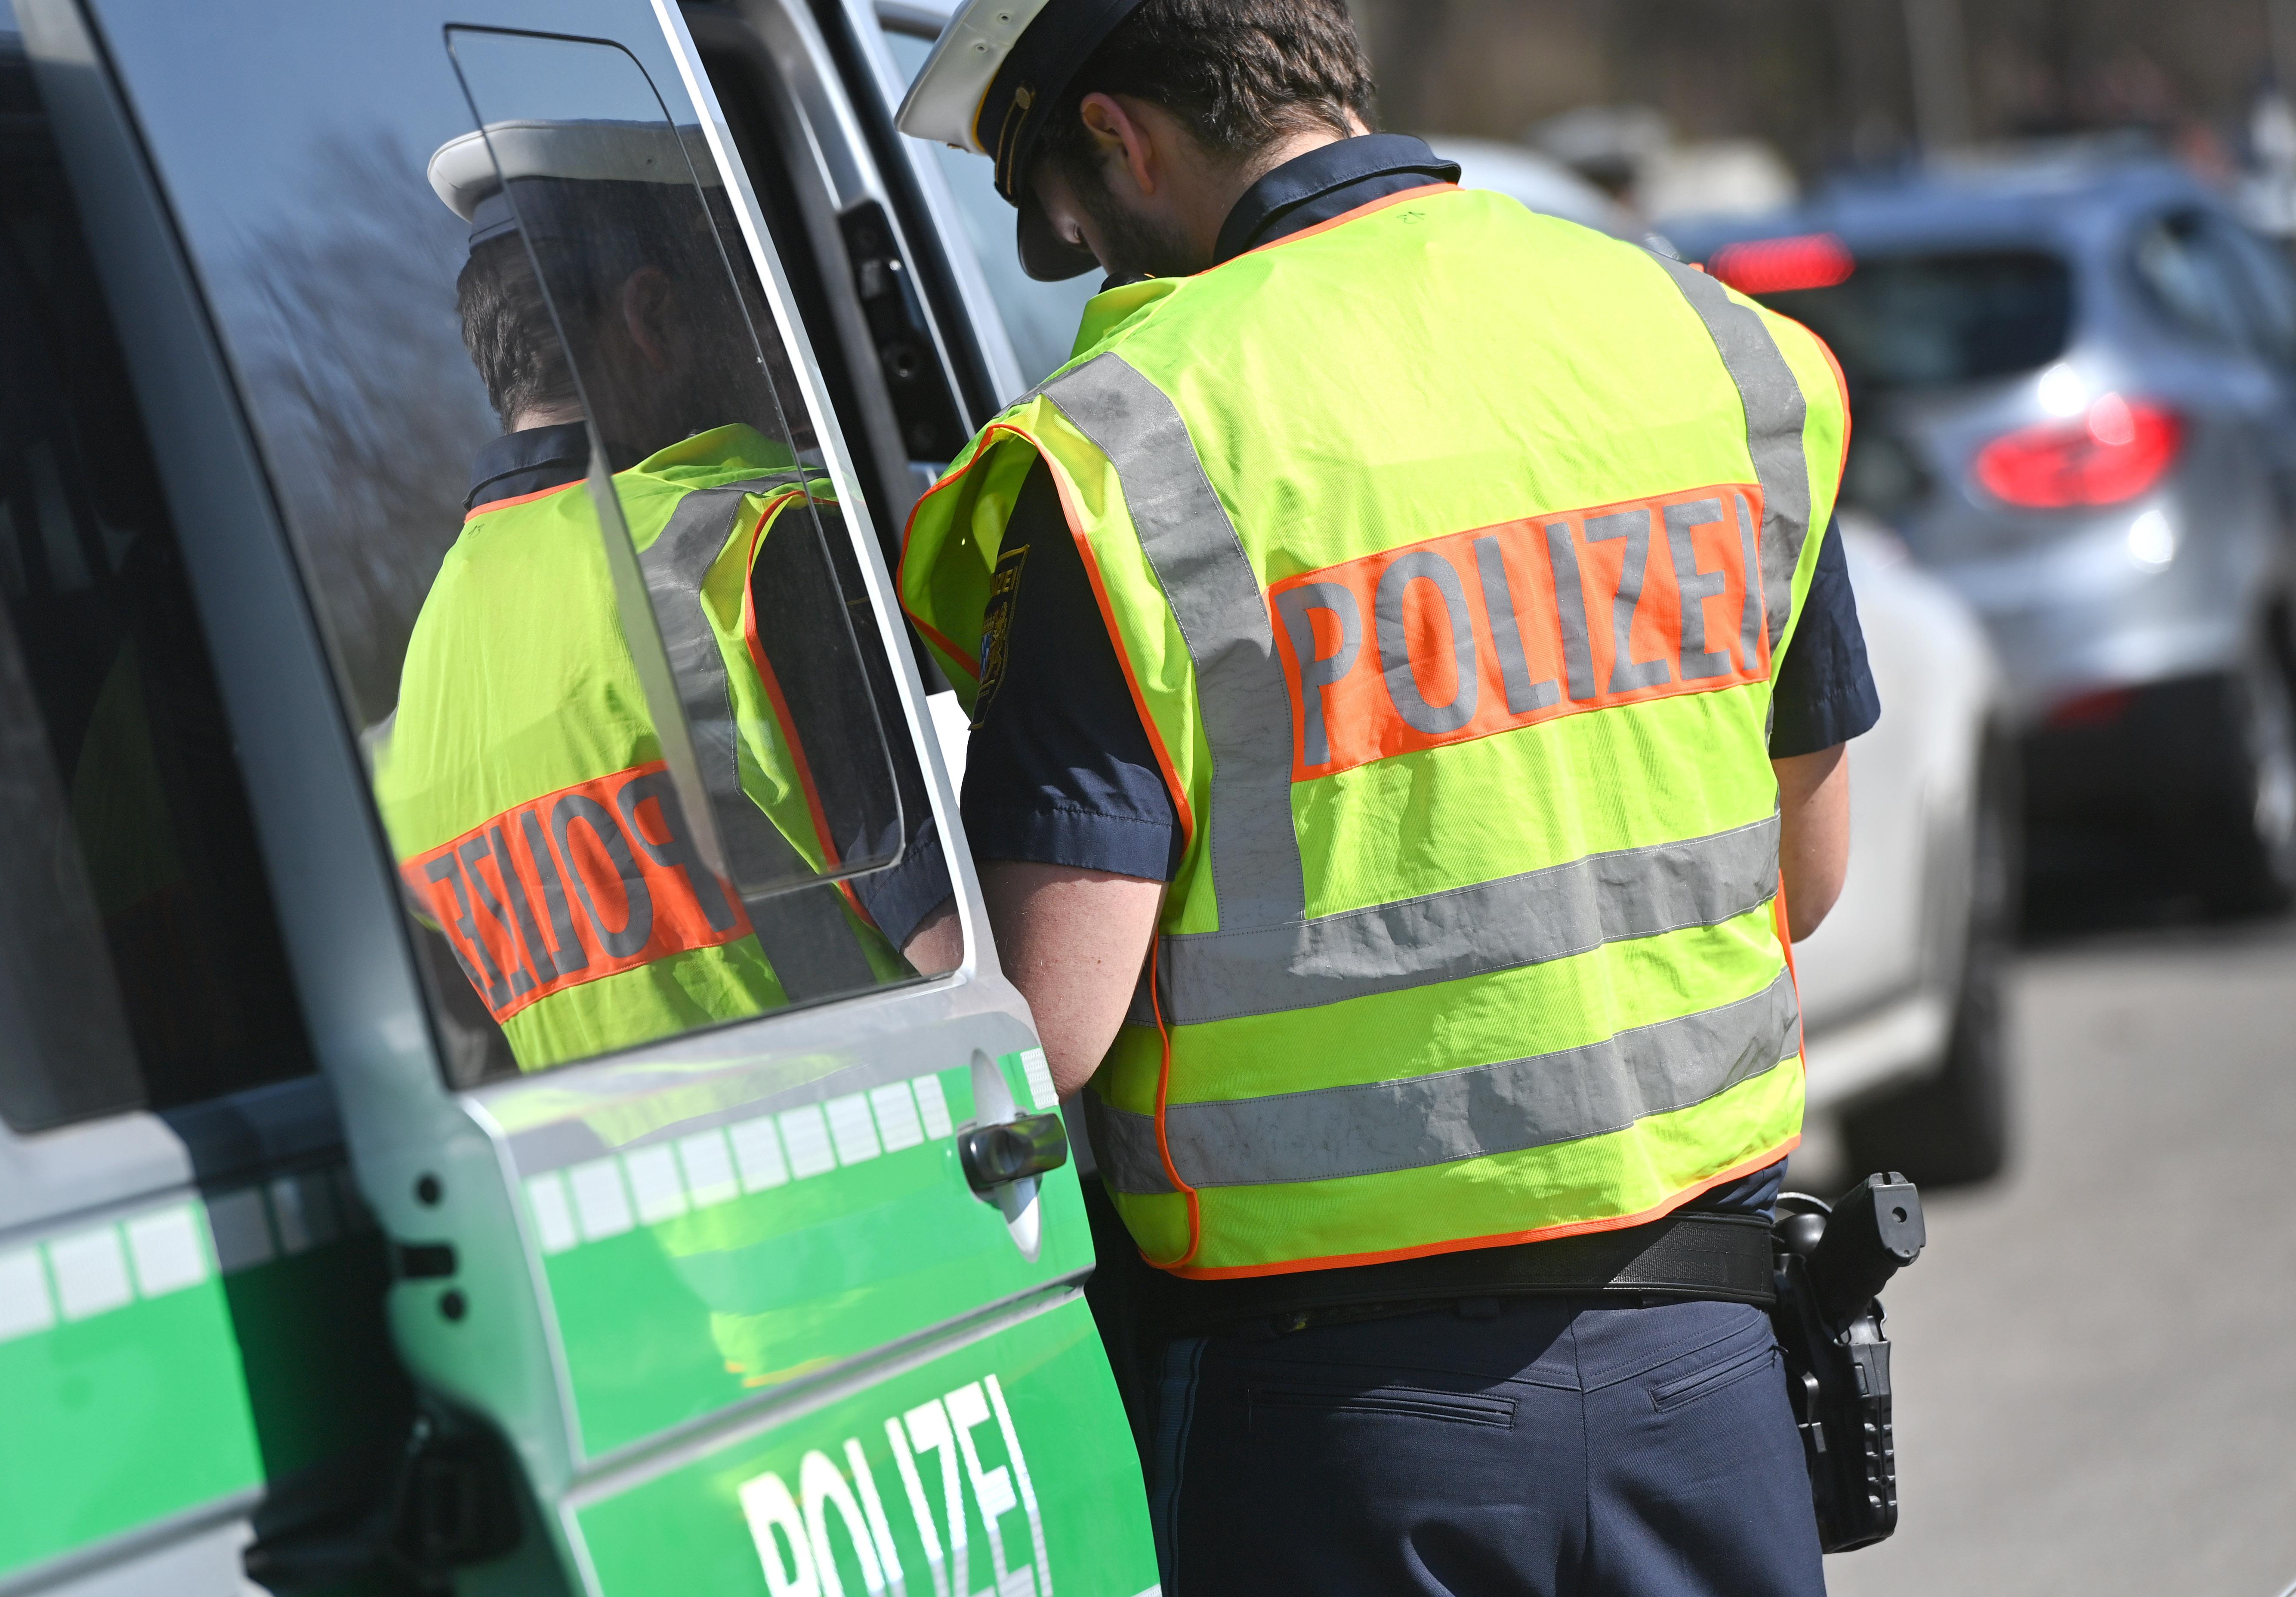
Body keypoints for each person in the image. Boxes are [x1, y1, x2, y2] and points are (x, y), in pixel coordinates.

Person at [894, 3, 1876, 1593]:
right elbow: (1802, 873)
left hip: (1339, 1419)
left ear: (1118, 137)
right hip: (1703, 1368)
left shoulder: (1125, 447)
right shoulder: (1714, 345)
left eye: (1065, 223)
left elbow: (1048, 1023)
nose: (1083, 262)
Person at [375, 120, 957, 1073]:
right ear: (653, 317)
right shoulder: (750, 546)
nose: (776, 347)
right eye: (752, 311)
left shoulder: (426, 672)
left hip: (640, 1212)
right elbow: (972, 964)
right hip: (889, 1178)